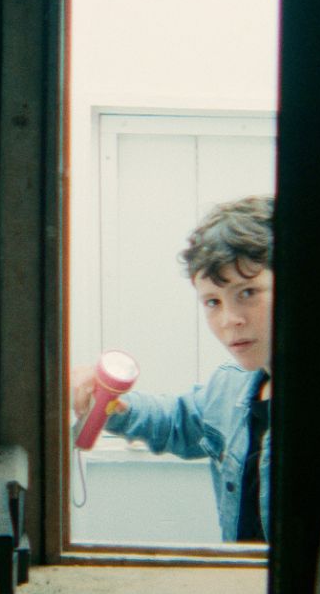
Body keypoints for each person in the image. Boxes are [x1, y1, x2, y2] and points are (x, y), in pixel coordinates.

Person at [71, 195, 275, 543]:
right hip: (241, 581)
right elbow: (180, 420)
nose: (229, 321)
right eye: (213, 302)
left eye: (248, 292)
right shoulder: (231, 385)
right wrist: (116, 406)